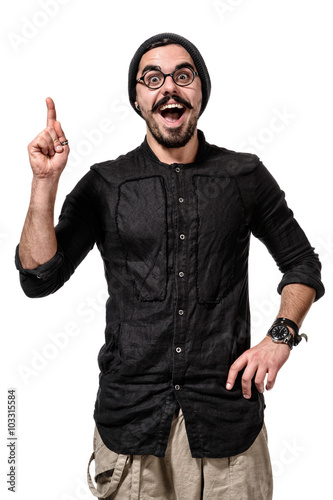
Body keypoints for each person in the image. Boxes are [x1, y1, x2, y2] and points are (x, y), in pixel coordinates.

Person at [15, 33, 324, 499]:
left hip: (227, 426)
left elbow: (302, 262)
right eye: (152, 78)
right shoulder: (107, 183)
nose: (169, 88)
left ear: (200, 91)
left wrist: (280, 338)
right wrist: (44, 184)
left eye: (183, 75)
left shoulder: (244, 175)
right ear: (137, 98)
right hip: (132, 427)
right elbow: (39, 277)